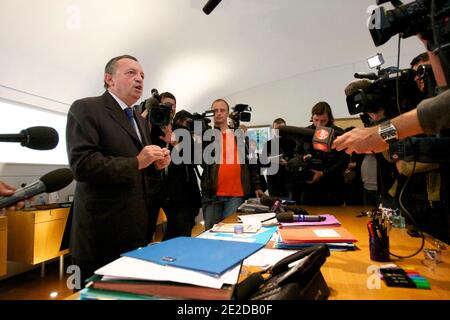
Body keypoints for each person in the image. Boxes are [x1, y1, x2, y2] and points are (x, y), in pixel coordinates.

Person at [66, 54, 171, 287]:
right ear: (109, 79)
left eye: (142, 75)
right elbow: (83, 165)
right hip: (101, 235)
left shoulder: (140, 120)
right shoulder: (86, 108)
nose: (139, 79)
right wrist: (137, 162)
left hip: (136, 232)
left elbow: (140, 169)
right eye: (131, 73)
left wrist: (156, 165)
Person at [201, 98, 264, 230]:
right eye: (215, 110)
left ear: (227, 113)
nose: (218, 113)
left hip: (236, 196)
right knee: (210, 235)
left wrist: (257, 185)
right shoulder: (206, 137)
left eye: (222, 110)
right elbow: (199, 161)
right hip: (212, 196)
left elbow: (251, 163)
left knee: (231, 234)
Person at [288, 102, 349, 205]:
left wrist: (323, 173)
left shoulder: (339, 134)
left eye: (323, 121)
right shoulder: (304, 132)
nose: (319, 125)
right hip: (308, 184)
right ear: (312, 118)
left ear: (329, 118)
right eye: (316, 120)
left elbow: (344, 160)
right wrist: (303, 158)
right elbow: (296, 153)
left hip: (332, 184)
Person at [261, 118, 296, 199]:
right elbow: (262, 162)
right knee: (274, 206)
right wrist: (271, 160)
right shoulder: (268, 144)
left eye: (281, 129)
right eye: (276, 129)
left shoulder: (292, 142)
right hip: (273, 181)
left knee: (289, 204)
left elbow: (298, 161)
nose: (278, 131)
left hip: (289, 179)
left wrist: (287, 163)